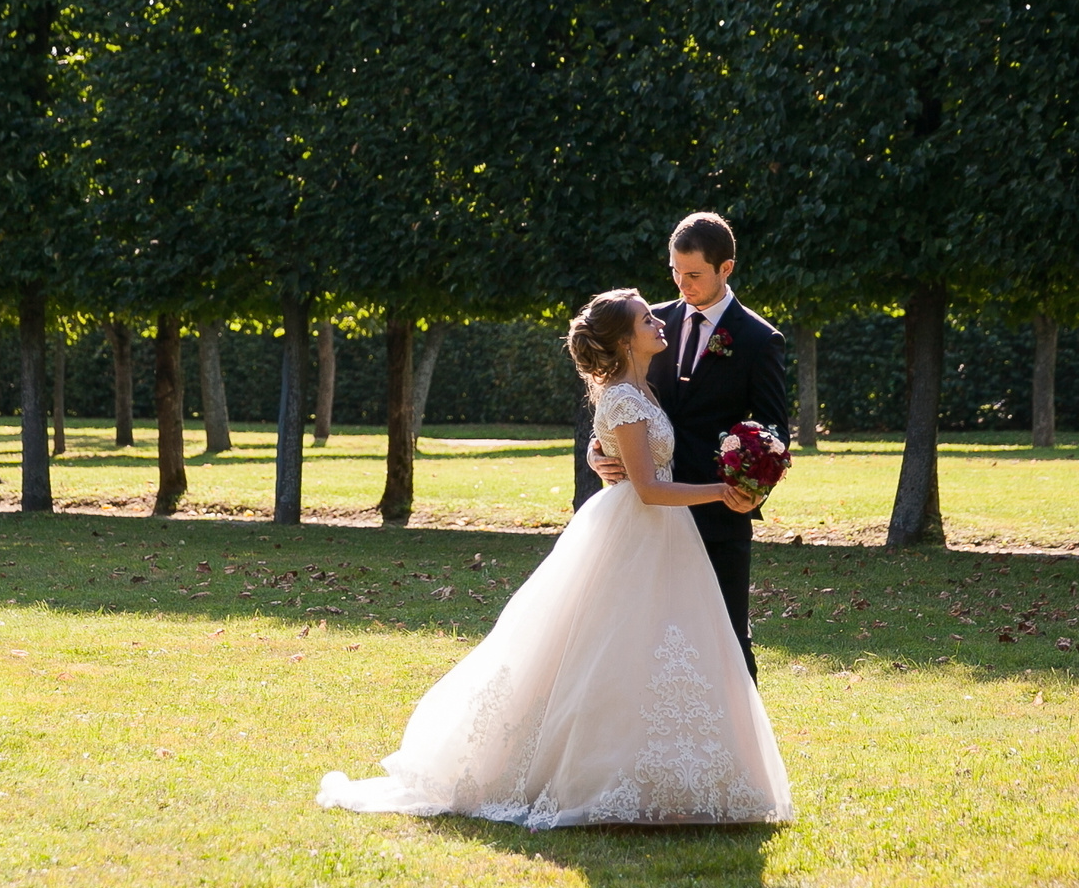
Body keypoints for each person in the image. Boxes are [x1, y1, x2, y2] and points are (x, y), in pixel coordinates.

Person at [317, 289, 793, 829]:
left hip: (665, 535)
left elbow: (632, 450)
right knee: (610, 648)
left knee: (665, 648)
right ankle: (593, 774)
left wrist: (608, 451)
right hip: (639, 526)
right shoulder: (624, 396)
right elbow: (648, 489)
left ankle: (675, 776)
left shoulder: (644, 387)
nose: (658, 320)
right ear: (622, 340)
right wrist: (722, 491)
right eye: (645, 319)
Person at [587, 211, 788, 680]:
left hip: (719, 515)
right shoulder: (650, 326)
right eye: (675, 272)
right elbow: (619, 402)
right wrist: (599, 452)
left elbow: (774, 433)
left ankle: (741, 752)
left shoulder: (759, 340)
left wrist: (748, 490)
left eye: (694, 274)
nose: (682, 284)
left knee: (728, 641)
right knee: (645, 638)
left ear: (726, 269)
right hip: (647, 517)